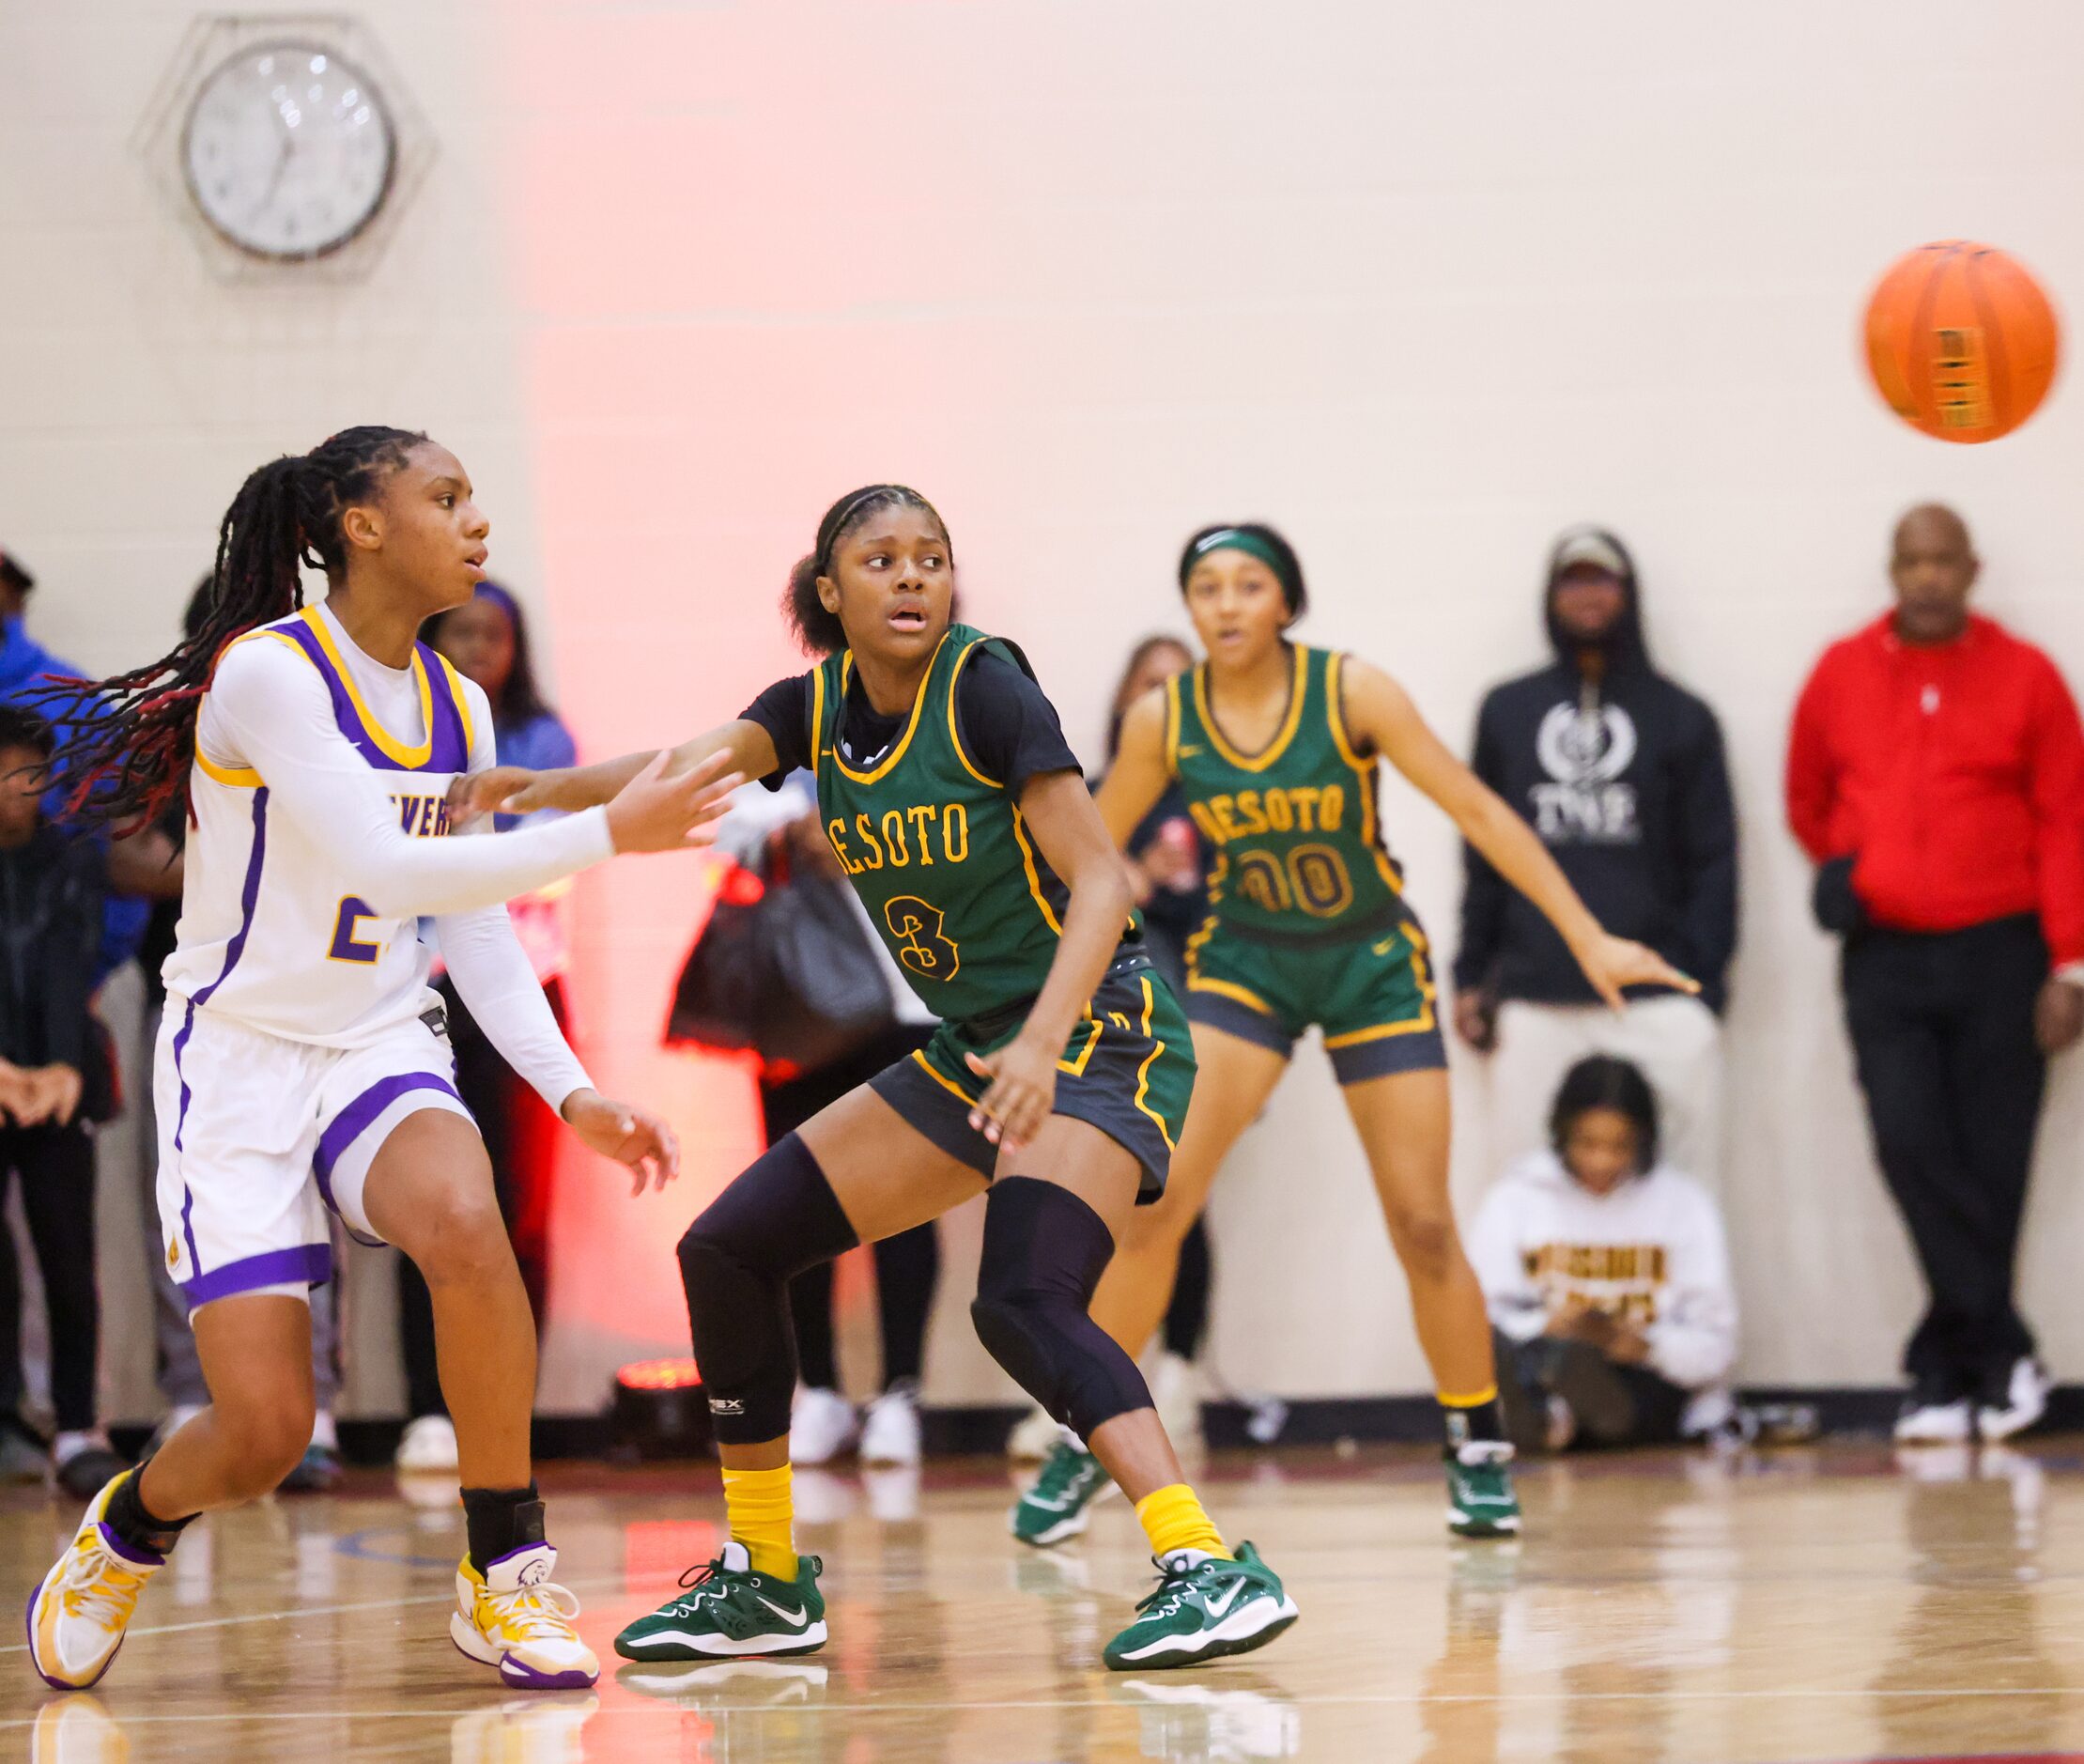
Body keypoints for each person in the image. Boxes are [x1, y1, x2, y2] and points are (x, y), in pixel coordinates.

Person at [463, 484, 1300, 1671]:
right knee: (728, 1249)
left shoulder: (984, 688)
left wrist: (1035, 1045)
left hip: (1100, 1029)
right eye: (881, 559)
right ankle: (763, 1581)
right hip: (977, 1047)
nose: (911, 578)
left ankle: (1203, 1564)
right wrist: (546, 794)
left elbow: (1104, 884)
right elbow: (688, 763)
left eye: (931, 559)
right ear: (828, 591)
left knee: (1021, 1298)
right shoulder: (809, 711)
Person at [24, 425, 734, 1695]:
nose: (477, 523)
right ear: (360, 522)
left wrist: (569, 1086)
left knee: (467, 1220)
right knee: (261, 1431)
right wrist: (603, 833)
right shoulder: (269, 676)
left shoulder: (456, 703)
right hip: (235, 1060)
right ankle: (130, 1523)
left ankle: (503, 1571)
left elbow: (464, 926)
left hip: (371, 1040)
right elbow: (387, 865)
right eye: (446, 497)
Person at [1076, 522, 1693, 1543]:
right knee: (1161, 1202)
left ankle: (1478, 1442)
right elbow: (1084, 852)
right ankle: (1081, 1437)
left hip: (1369, 966)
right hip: (1246, 965)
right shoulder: (1160, 721)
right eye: (1205, 588)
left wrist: (1585, 935)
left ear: (1286, 603)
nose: (1225, 604)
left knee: (1419, 1221)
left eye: (1246, 585)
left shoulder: (1350, 692)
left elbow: (1479, 812)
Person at [1787, 503, 2084, 1446]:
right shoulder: (1838, 672)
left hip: (2003, 952)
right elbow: (1806, 795)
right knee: (1908, 1144)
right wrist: (1856, 865)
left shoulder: (2025, 675)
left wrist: (2070, 965)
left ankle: (1943, 1371)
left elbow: (2064, 819)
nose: (1924, 577)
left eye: (1940, 561)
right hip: (1884, 957)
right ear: (1889, 568)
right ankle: (1999, 1355)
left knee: (1994, 1165)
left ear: (1969, 568)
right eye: (1908, 560)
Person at [1454, 526, 1737, 1185]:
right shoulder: (1506, 712)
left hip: (1657, 1000)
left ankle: (1678, 1297)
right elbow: (1482, 853)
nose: (1588, 595)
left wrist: (1702, 985)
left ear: (1627, 592)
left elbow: (1714, 860)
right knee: (1520, 1187)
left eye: (1601, 579)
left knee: (1682, 1184)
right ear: (1550, 595)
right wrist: (1471, 973)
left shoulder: (1683, 716)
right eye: (1573, 579)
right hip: (1537, 998)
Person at [1008, 633, 1215, 1460]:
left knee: (1175, 1198)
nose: (1156, 700)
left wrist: (1174, 887)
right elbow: (1062, 901)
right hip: (1098, 1028)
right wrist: (1132, 873)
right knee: (1096, 1200)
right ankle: (1088, 1385)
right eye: (1144, 685)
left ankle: (1181, 1373)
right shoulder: (1086, 795)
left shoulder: (1219, 798)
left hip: (1200, 1024)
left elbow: (1241, 920)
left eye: (1175, 685)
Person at [392, 582, 583, 1475]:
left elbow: (539, 869)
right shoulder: (403, 731)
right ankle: (428, 1410)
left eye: (495, 635)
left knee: (520, 1208)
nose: (479, 649)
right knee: (427, 1198)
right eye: (462, 633)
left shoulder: (545, 740)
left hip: (523, 985)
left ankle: (513, 1403)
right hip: (416, 991)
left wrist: (484, 839)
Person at [712, 777, 943, 1469]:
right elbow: (723, 830)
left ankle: (901, 1394)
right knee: (797, 1206)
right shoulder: (781, 740)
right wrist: (793, 827)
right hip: (795, 1010)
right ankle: (817, 1391)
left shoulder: (929, 737)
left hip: (908, 1000)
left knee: (906, 1206)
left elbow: (963, 843)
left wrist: (861, 836)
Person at [1470, 1055, 1738, 1452]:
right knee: (1523, 1355)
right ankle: (1551, 1410)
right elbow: (1482, 1317)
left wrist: (1649, 1347)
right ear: (1561, 1134)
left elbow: (1717, 1345)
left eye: (1619, 1146)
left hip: (1646, 1375)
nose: (1602, 1161)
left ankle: (1557, 1419)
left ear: (1644, 1140)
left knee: (1617, 1388)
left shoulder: (1684, 1205)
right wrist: (1547, 1324)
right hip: (1542, 1356)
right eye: (1588, 1144)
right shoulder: (1515, 1199)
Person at [0, 706, 128, 1496]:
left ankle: (79, 1425)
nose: (13, 793)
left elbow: (69, 957)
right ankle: (9, 1418)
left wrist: (55, 1067)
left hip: (58, 1082)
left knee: (70, 1260)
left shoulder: (72, 854)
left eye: (26, 777)